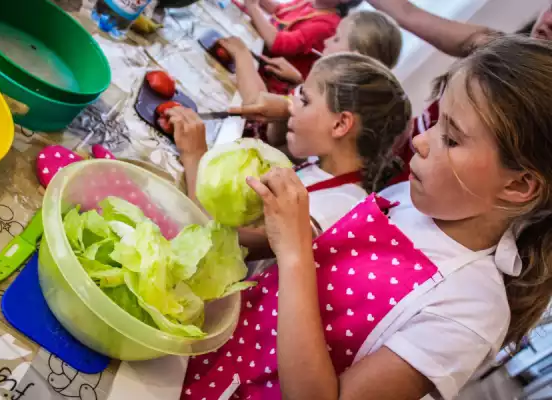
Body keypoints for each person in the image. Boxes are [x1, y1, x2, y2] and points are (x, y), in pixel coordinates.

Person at [178, 35, 552, 400]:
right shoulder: (406, 198)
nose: (421, 141)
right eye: (437, 121)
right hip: (214, 355)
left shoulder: (473, 308)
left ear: (519, 185)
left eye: (451, 139)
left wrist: (293, 252)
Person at [168, 52, 411, 257]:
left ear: (340, 125)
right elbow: (277, 138)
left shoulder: (331, 209)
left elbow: (218, 239)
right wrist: (286, 111)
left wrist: (194, 154)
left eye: (304, 100)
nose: (291, 105)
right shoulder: (323, 163)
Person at [364, 0, 552, 184]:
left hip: (420, 189)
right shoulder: (498, 50)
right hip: (387, 155)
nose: (549, 19)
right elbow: (408, 13)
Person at [220, 10, 403, 148]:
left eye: (337, 39)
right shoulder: (344, 99)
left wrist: (241, 53)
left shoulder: (327, 98)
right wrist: (297, 83)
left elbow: (258, 109)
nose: (326, 42)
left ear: (352, 57)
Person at [241, 0, 361, 94]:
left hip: (269, 86)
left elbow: (278, 43)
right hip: (256, 61)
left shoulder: (328, 25)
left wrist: (253, 7)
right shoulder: (312, 3)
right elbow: (280, 10)